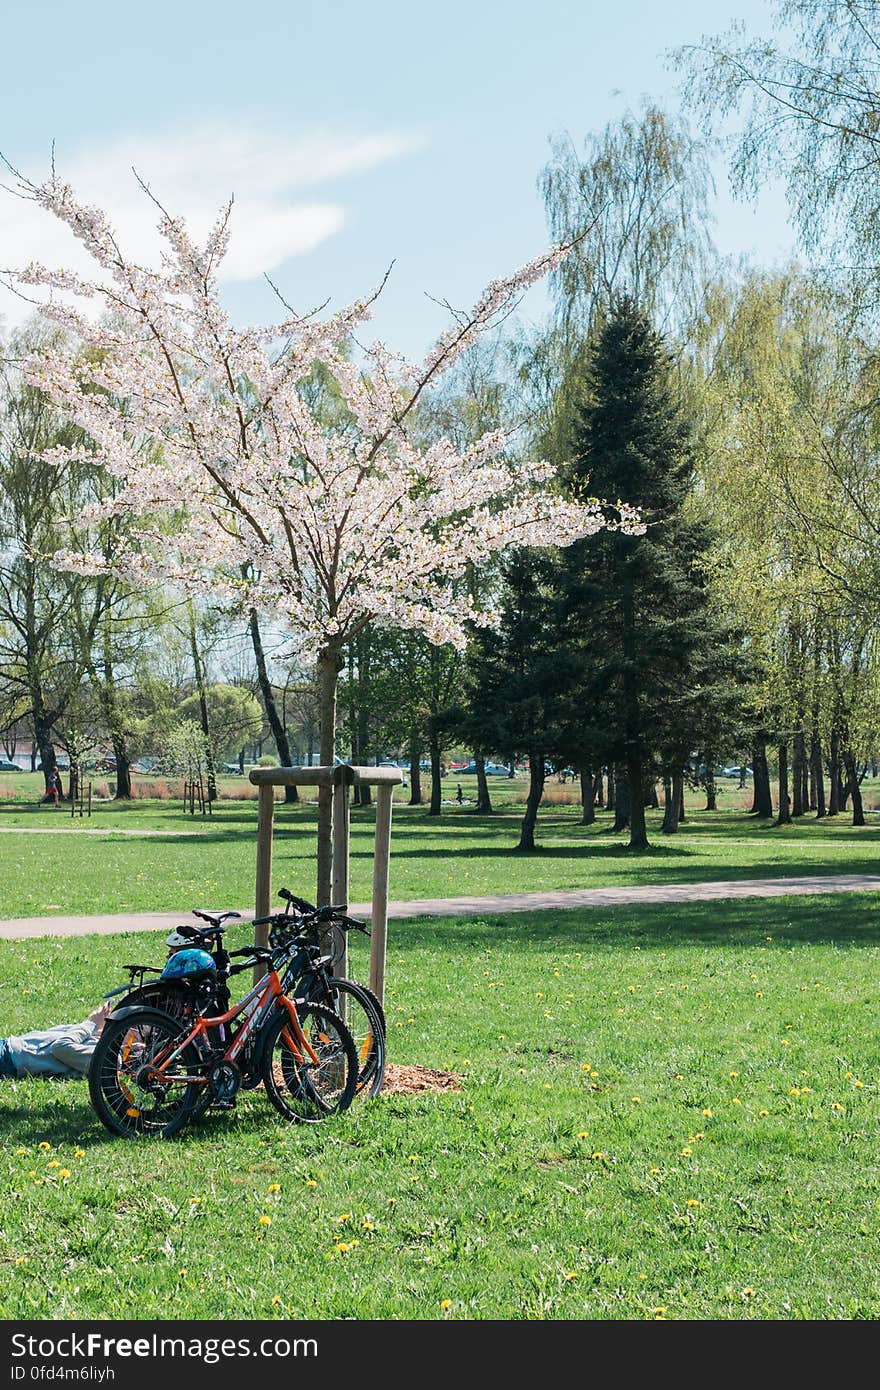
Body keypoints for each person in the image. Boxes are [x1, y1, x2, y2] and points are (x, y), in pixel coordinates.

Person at [0, 1002, 111, 1079]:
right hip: (11, 1047)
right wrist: (97, 1030)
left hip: (11, 1058)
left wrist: (91, 1024)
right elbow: (52, 1033)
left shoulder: (111, 1057)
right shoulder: (105, 1040)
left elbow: (60, 1047)